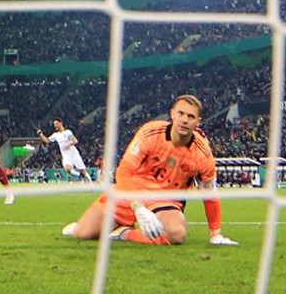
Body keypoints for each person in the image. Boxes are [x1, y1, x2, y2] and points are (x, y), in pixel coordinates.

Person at [63, 95, 237, 246]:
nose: (184, 120)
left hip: (165, 202)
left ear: (198, 122)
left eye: (190, 117)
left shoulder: (202, 153)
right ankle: (101, 224)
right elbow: (124, 171)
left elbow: (209, 193)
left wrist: (215, 234)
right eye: (181, 114)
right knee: (83, 233)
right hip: (130, 193)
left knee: (177, 233)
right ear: (172, 114)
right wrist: (137, 206)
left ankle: (123, 233)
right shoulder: (151, 132)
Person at [37, 118, 94, 186]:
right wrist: (41, 135)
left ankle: (91, 185)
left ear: (61, 123)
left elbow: (75, 141)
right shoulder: (56, 135)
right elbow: (47, 141)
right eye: (54, 124)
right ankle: (79, 176)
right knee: (67, 169)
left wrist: (68, 144)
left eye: (57, 124)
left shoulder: (67, 132)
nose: (55, 126)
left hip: (73, 153)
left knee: (83, 171)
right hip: (66, 155)